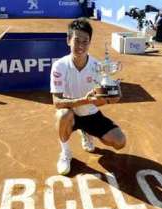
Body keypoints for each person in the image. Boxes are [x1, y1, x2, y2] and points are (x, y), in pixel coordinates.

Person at [50, 18, 126, 175]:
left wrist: (112, 96)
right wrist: (85, 100)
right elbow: (57, 102)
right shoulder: (59, 66)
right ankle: (65, 153)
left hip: (91, 114)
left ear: (90, 43)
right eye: (77, 40)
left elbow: (101, 99)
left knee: (120, 142)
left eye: (85, 41)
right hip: (71, 114)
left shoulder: (97, 66)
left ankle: (87, 132)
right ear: (68, 40)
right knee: (62, 114)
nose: (81, 46)